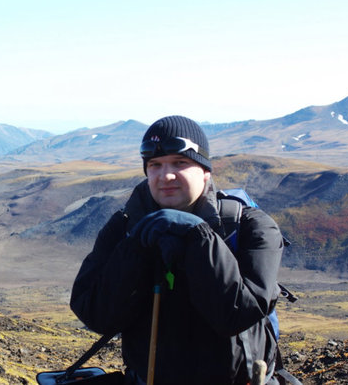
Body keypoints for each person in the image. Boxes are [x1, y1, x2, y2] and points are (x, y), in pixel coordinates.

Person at [70, 115, 284, 384]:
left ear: (205, 170)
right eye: (155, 165)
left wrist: (199, 238)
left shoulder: (250, 226)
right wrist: (137, 247)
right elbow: (95, 314)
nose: (166, 175)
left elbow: (236, 315)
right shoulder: (124, 228)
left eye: (180, 163)